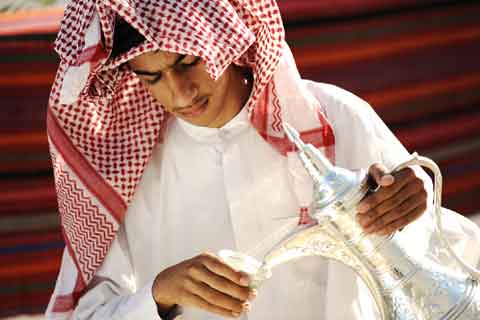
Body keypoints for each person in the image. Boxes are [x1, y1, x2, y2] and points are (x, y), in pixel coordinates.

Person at [45, 1, 480, 319]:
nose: (180, 93)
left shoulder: (335, 118)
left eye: (189, 62)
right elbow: (83, 314)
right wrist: (159, 294)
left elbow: (441, 260)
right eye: (153, 77)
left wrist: (412, 204)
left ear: (228, 39)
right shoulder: (124, 174)